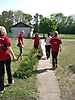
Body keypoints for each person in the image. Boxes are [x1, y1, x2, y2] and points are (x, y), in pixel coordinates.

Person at [0, 26, 17, 93]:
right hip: (6, 57)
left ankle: (1, 88)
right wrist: (13, 56)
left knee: (1, 73)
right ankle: (10, 81)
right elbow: (9, 48)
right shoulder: (5, 39)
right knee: (8, 69)